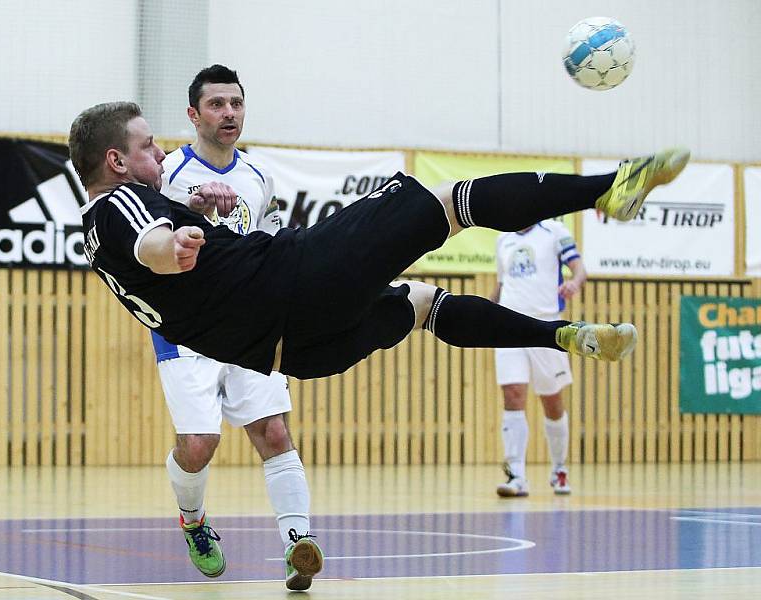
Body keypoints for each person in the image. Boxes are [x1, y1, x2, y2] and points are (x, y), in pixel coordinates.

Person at [71, 100, 688, 440]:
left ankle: (562, 336)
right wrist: (174, 240)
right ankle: (612, 187)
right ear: (116, 160)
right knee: (453, 201)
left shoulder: (95, 236)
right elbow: (151, 241)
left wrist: (190, 217)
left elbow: (148, 252)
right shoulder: (124, 206)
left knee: (420, 304)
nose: (160, 152)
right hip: (296, 283)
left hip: (298, 353)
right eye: (148, 145)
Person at [152, 65, 321, 590]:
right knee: (199, 444)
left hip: (249, 324)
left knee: (273, 432)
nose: (229, 113)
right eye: (217, 104)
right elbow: (151, 248)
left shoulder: (258, 176)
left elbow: (265, 242)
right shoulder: (168, 175)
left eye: (236, 104)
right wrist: (191, 213)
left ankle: (299, 546)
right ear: (193, 114)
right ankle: (194, 522)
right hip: (187, 328)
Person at [490, 220, 586, 497]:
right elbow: (501, 284)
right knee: (513, 393)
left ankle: (559, 468)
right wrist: (485, 311)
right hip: (508, 327)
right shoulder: (503, 239)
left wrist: (574, 283)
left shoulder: (556, 232)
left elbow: (578, 268)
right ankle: (516, 475)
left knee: (552, 400)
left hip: (546, 326)